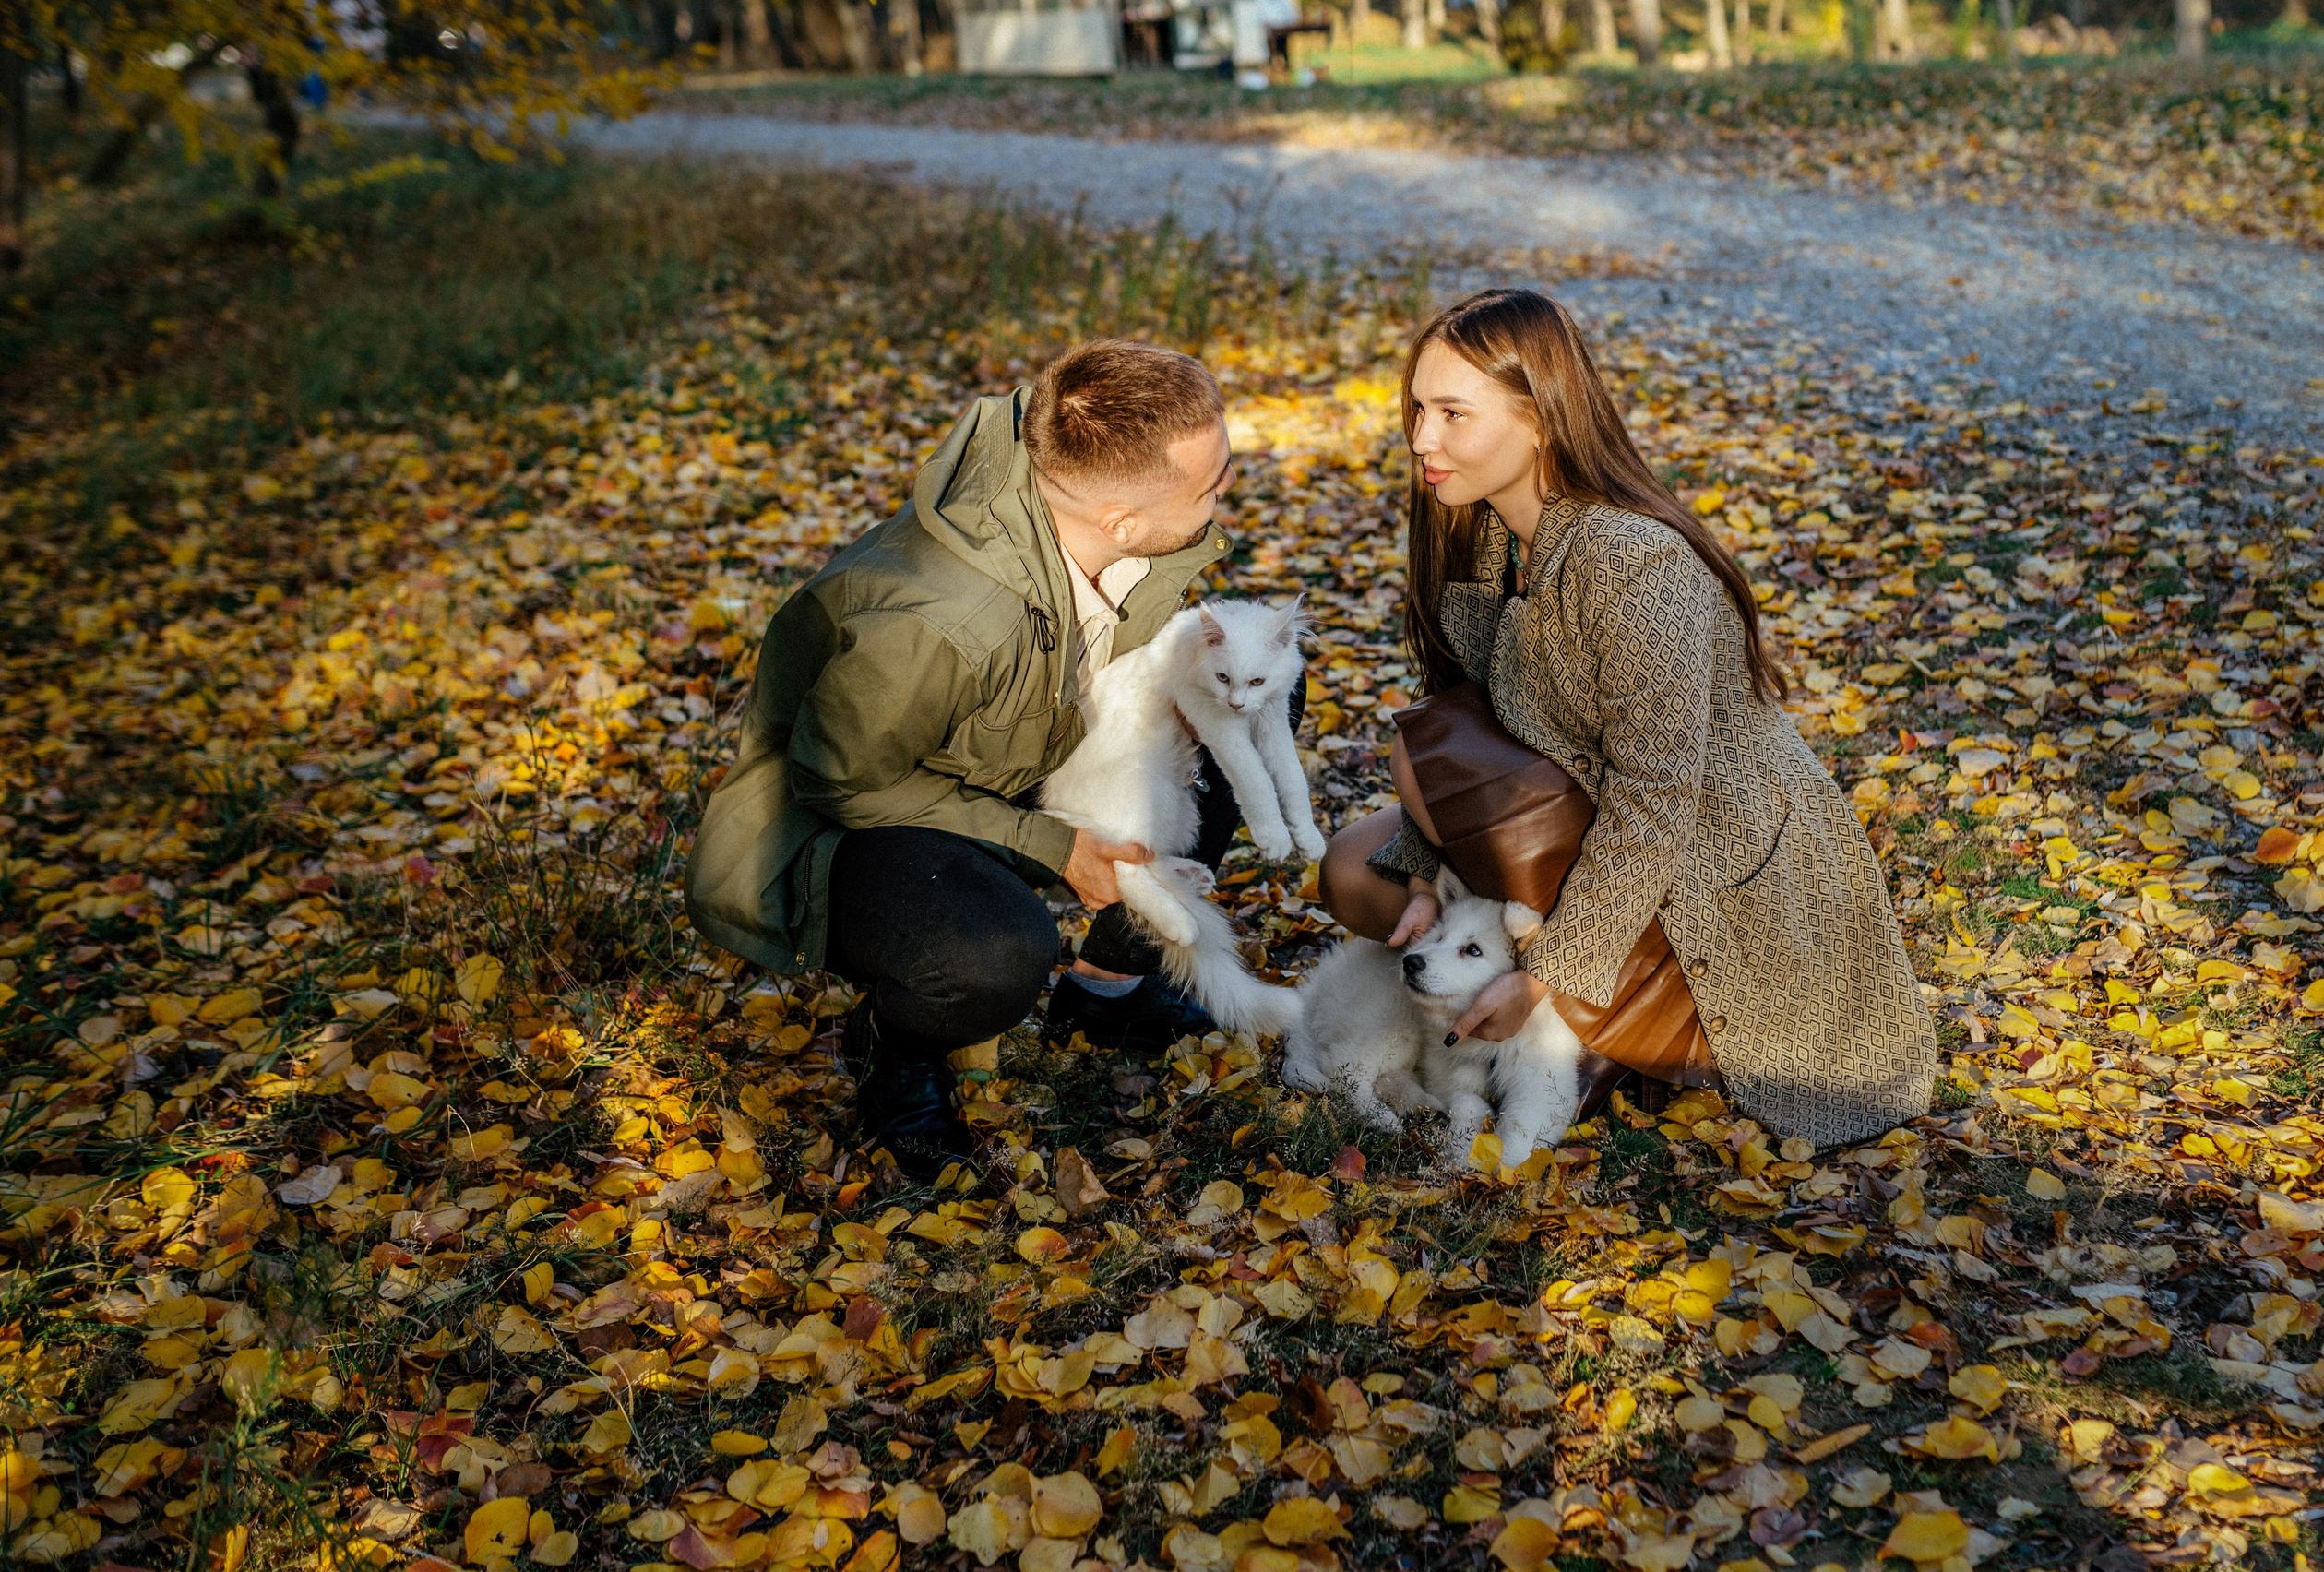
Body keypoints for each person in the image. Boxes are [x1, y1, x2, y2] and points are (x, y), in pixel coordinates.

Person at [1317, 289, 1936, 1145]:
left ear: (1541, 418)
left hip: (1713, 870)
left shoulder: (1637, 568)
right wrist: (1429, 873)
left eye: (1454, 414)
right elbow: (1476, 729)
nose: (1423, 439)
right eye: (1419, 410)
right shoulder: (1486, 538)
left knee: (1420, 766)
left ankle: (1615, 1028)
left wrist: (1549, 978)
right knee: (1358, 870)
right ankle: (1583, 1019)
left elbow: (1657, 805)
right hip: (1575, 822)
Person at [686, 340, 1295, 1180]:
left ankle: (1108, 988)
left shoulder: (1091, 515)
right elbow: (840, 780)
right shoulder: (938, 621)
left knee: (1251, 693)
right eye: (1212, 484)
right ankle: (894, 1052)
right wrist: (1053, 847)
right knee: (998, 953)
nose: (1229, 491)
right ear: (1119, 520)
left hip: (1023, 756)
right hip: (865, 819)